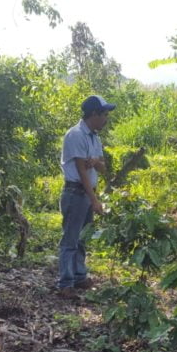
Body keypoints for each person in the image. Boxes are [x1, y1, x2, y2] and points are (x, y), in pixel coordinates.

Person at [57, 95, 115, 296]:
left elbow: (102, 166)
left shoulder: (94, 137)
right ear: (94, 114)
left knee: (82, 238)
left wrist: (96, 162)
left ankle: (79, 276)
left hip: (88, 193)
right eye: (104, 115)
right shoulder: (76, 135)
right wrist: (94, 200)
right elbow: (82, 172)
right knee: (71, 239)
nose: (106, 119)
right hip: (76, 193)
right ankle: (65, 282)